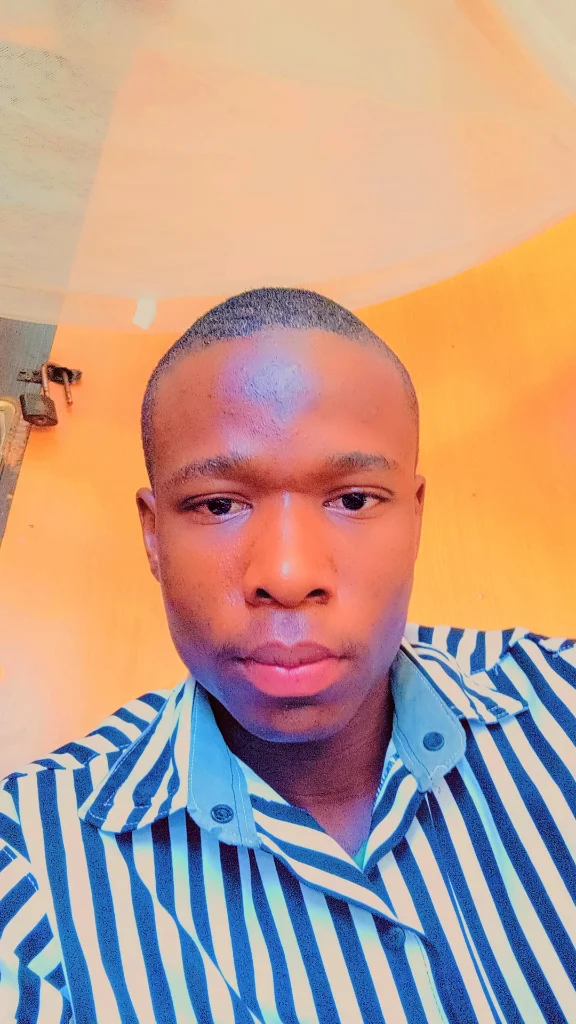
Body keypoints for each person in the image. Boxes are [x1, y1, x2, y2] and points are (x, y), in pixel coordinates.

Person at [0, 287, 574, 1024]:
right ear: (152, 534)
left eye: (354, 499)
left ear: (417, 515)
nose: (289, 573)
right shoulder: (30, 869)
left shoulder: (561, 702)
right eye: (218, 504)